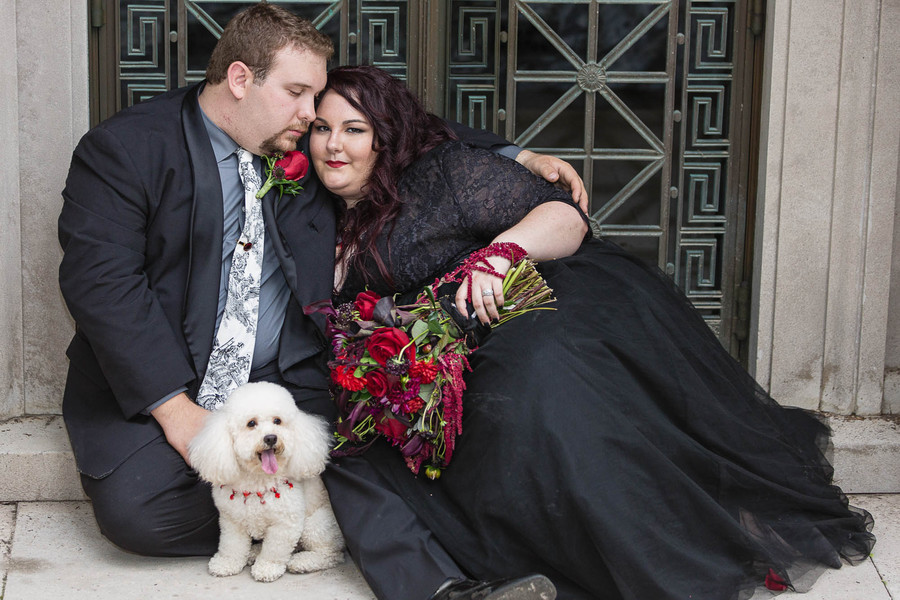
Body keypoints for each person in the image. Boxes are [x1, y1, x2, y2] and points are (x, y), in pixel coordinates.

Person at [57, 0, 584, 577]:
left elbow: (398, 124)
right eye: (299, 94)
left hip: (286, 376)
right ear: (240, 79)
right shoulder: (125, 150)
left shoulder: (300, 141)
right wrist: (175, 413)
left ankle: (450, 583)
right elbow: (102, 286)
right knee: (140, 514)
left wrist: (517, 154)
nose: (313, 117)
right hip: (167, 377)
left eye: (318, 100)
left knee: (378, 456)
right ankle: (302, 513)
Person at [308, 65, 876, 600]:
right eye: (322, 128)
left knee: (538, 388)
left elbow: (565, 215)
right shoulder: (309, 210)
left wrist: (501, 254)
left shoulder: (445, 174)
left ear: (386, 136)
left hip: (529, 312)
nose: (334, 145)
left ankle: (648, 546)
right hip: (432, 360)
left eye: (354, 129)